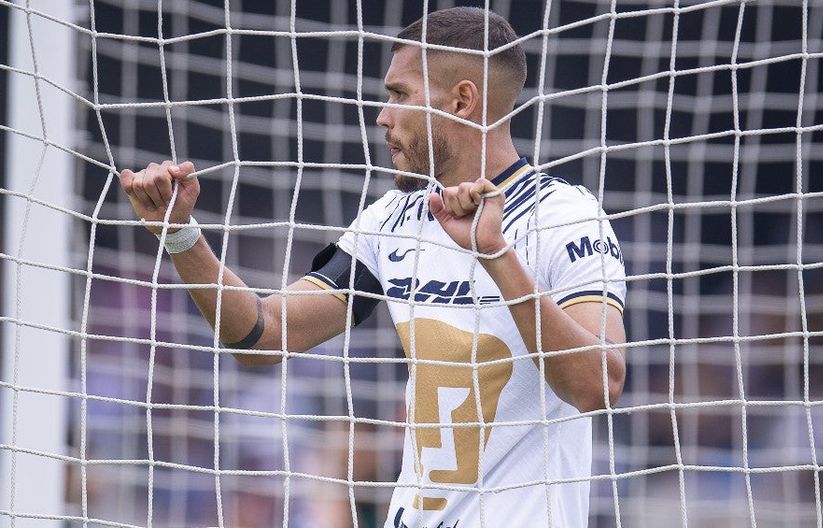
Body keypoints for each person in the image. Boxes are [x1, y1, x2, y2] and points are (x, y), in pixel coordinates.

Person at [119, 7, 627, 527]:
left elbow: (598, 386)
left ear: (462, 100)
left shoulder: (564, 217)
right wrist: (179, 234)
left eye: (400, 94)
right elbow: (263, 335)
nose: (383, 116)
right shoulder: (392, 217)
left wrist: (495, 255)